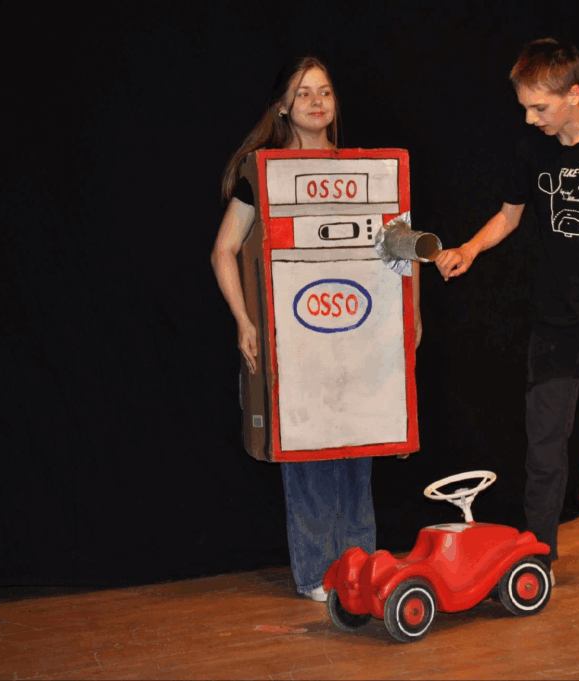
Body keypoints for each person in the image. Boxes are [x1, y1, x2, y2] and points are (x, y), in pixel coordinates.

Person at [435, 38, 579, 598]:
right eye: (524, 107)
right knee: (544, 445)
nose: (530, 118)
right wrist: (469, 248)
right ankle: (536, 556)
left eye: (539, 107)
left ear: (573, 94)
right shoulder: (531, 150)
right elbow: (509, 215)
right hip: (554, 318)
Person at [210, 56, 422, 601]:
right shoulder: (264, 174)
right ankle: (317, 574)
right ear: (283, 107)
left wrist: (412, 314)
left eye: (324, 92)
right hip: (297, 343)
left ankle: (361, 569)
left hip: (359, 341)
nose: (316, 102)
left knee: (357, 451)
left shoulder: (370, 172)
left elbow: (403, 246)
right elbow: (223, 250)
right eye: (303, 93)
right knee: (308, 455)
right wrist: (244, 320)